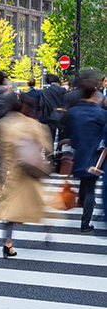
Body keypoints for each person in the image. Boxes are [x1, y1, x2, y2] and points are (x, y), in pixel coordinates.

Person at [0, 94, 52, 257]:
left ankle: (8, 243)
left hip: (11, 173)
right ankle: (48, 232)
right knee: (38, 203)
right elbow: (47, 147)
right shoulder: (33, 125)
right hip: (30, 174)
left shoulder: (4, 124)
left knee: (11, 211)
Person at [65, 79, 107, 232]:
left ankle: (82, 203)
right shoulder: (101, 113)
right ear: (92, 94)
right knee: (90, 188)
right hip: (95, 156)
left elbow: (68, 133)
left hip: (79, 154)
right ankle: (85, 223)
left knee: (84, 183)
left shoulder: (73, 112)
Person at [40, 74, 66, 142]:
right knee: (62, 138)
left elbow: (42, 104)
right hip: (62, 116)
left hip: (49, 116)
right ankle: (59, 150)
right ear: (57, 82)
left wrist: (44, 116)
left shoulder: (44, 92)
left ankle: (51, 151)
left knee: (50, 138)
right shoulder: (63, 90)